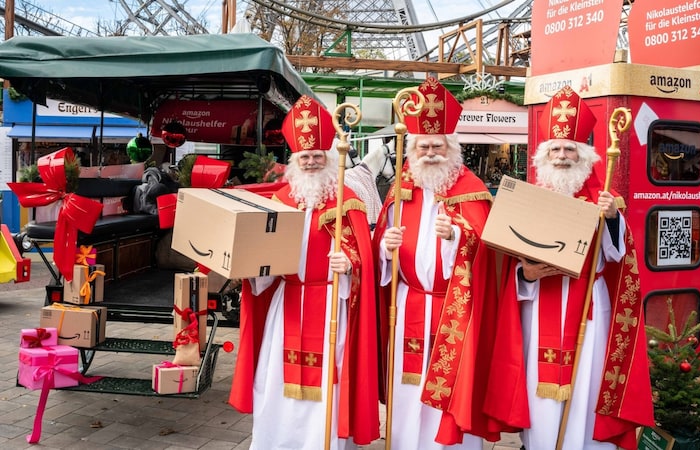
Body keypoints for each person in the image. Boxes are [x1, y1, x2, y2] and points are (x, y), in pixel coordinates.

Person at [485, 86, 654, 450]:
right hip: (538, 302)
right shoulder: (527, 199)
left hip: (588, 308)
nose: (562, 156)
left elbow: (618, 257)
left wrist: (611, 218)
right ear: (545, 155)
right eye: (556, 149)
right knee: (538, 392)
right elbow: (507, 260)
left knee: (586, 389)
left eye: (569, 149)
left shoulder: (604, 199)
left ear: (584, 154)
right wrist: (524, 275)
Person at [228, 95, 380, 449]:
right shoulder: (279, 202)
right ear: (294, 161)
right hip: (287, 301)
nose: (311, 162)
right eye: (305, 157)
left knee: (329, 379)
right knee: (277, 377)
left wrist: (351, 266)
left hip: (330, 303)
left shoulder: (348, 202)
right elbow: (261, 261)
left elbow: (364, 260)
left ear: (329, 159)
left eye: (317, 156)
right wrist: (251, 270)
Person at [372, 77, 501, 449]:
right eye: (423, 146)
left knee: (450, 390)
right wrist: (385, 246)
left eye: (437, 145)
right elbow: (381, 243)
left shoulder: (471, 189)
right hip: (408, 302)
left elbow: (491, 255)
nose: (430, 152)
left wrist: (457, 237)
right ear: (412, 149)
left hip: (454, 311)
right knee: (406, 390)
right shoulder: (400, 189)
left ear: (451, 147)